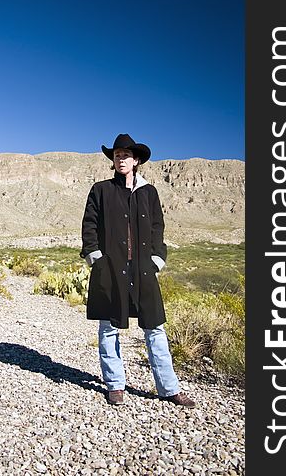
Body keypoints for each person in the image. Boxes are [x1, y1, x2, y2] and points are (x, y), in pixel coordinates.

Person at [80, 133, 195, 407]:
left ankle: (169, 388)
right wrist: (96, 257)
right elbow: (89, 225)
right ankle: (115, 384)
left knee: (155, 327)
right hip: (111, 268)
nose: (121, 159)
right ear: (113, 160)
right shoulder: (101, 190)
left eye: (126, 155)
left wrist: (157, 259)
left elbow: (158, 227)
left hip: (143, 269)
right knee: (109, 326)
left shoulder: (149, 192)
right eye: (117, 155)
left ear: (136, 160)